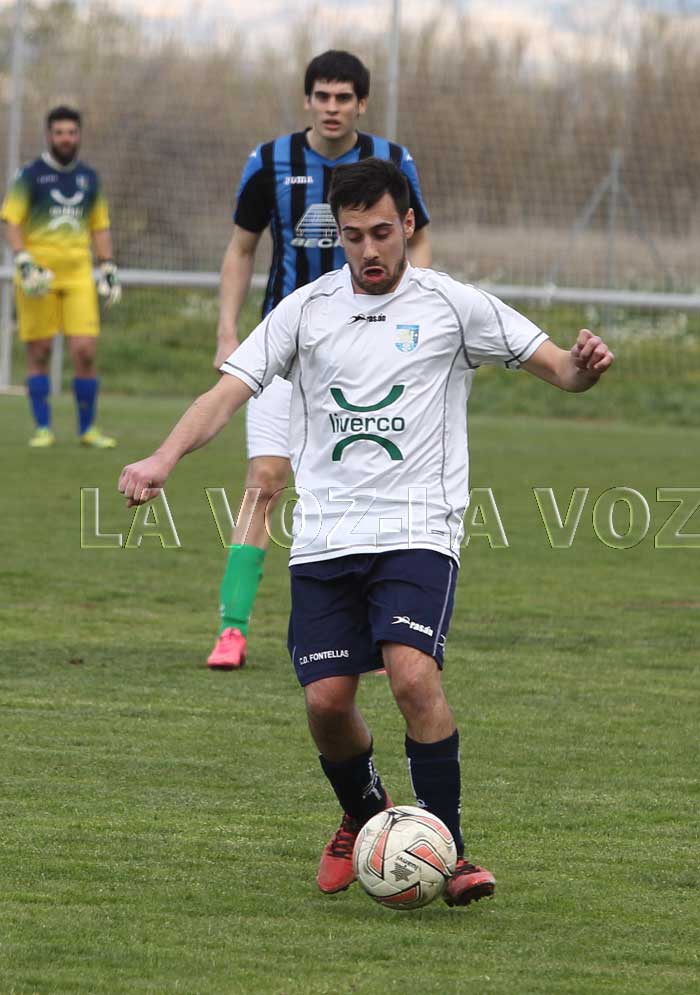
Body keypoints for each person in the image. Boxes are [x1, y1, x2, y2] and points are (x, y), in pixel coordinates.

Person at [118, 157, 614, 905]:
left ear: (408, 224)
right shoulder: (305, 310)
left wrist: (585, 366)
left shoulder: (454, 305)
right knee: (326, 702)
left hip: (419, 528)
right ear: (339, 235)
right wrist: (162, 457)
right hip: (326, 537)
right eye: (353, 236)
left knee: (413, 676)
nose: (369, 250)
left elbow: (561, 371)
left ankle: (449, 850)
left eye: (382, 232)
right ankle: (364, 809)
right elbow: (226, 393)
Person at [207, 49, 431, 670]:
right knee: (264, 480)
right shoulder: (269, 161)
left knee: (366, 487)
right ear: (308, 100)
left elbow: (420, 243)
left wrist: (419, 322)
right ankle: (231, 629)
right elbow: (241, 249)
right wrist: (227, 332)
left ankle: (374, 629)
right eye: (322, 96)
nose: (332, 108)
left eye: (344, 98)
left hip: (368, 358)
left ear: (362, 103)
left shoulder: (392, 162)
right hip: (285, 352)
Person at [1, 105, 122, 448]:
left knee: (84, 351)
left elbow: (100, 226)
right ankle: (43, 428)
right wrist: (23, 259)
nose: (65, 138)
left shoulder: (89, 178)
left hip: (79, 276)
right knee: (39, 350)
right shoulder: (30, 176)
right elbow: (11, 221)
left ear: (79, 135)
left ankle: (88, 430)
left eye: (71, 132)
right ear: (49, 135)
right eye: (59, 133)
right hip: (38, 278)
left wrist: (107, 266)